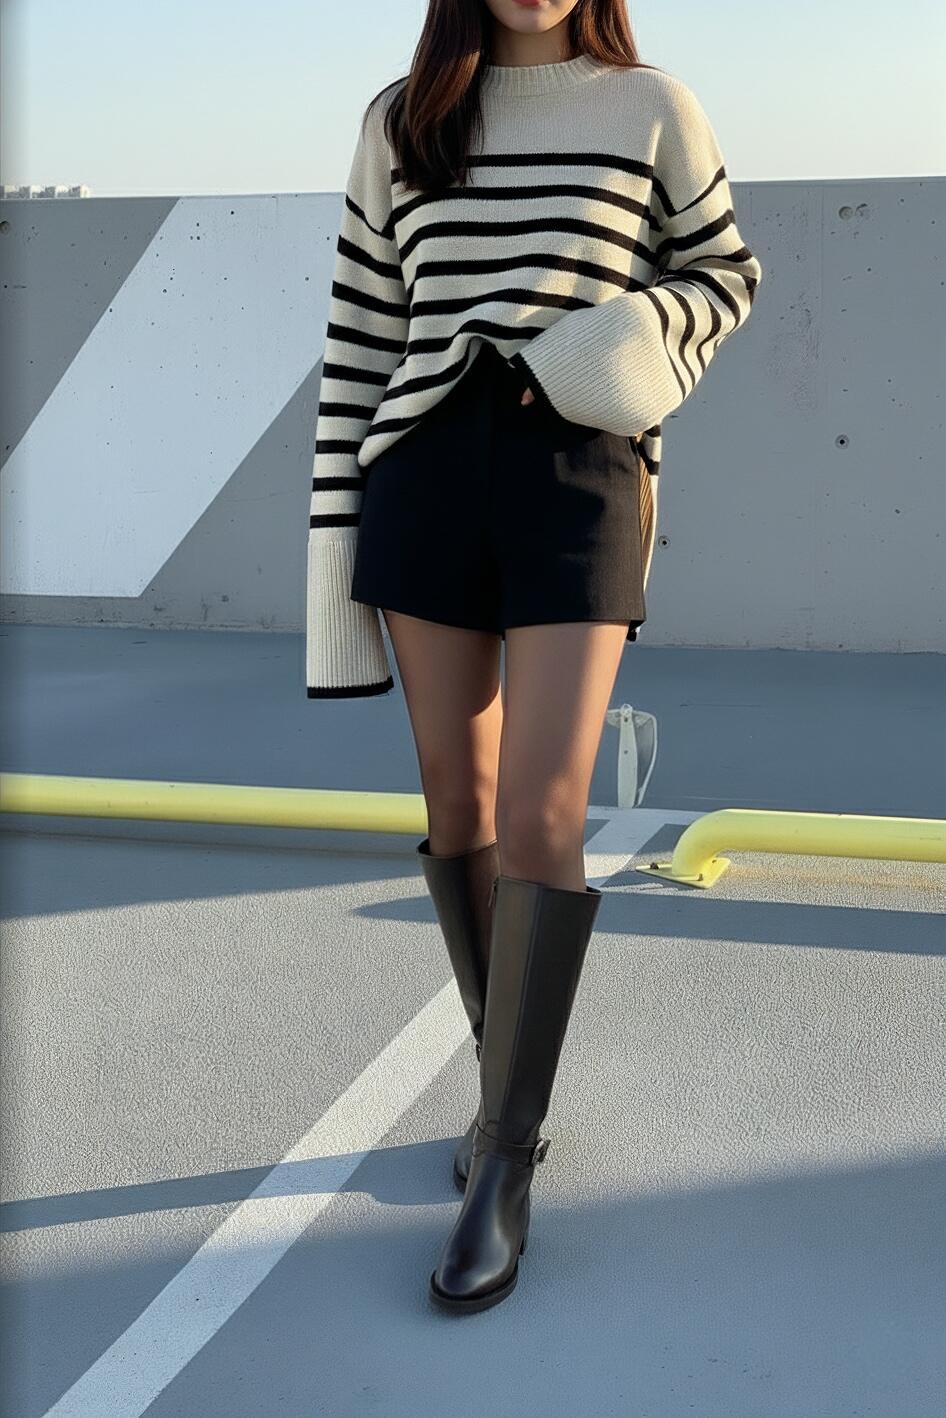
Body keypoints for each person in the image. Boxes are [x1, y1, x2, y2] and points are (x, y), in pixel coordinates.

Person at [306, 0, 763, 1313]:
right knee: (456, 800)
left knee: (544, 808)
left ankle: (504, 1157)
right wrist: (333, 537)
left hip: (581, 470)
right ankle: (499, 1087)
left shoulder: (651, 106)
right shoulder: (403, 121)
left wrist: (602, 348)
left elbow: (724, 274)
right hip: (423, 466)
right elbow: (359, 333)